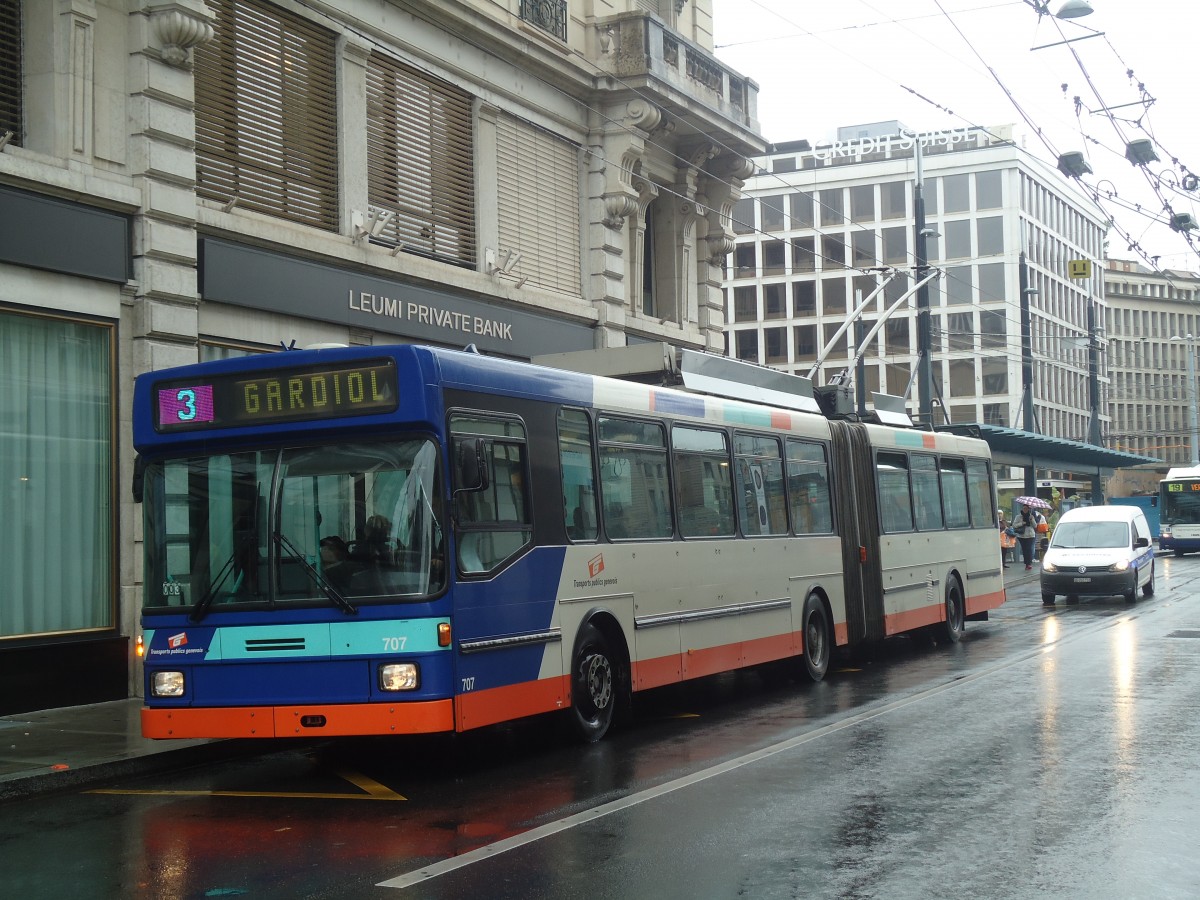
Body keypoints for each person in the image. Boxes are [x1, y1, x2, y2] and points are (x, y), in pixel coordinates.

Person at [1012, 504, 1046, 571]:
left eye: (1026, 508)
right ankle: (1026, 563)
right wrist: (1022, 523)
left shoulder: (1031, 516)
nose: (1025, 510)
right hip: (1022, 536)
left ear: (1028, 509)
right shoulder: (1019, 516)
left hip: (1031, 535)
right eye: (1024, 508)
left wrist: (1032, 520)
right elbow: (1014, 525)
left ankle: (1029, 564)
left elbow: (1035, 526)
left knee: (1029, 549)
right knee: (1024, 550)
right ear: (1022, 509)